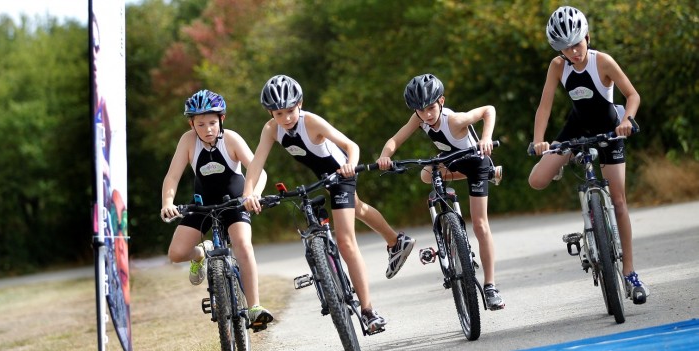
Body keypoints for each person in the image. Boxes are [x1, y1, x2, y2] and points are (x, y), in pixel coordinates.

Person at [242, 75, 415, 332]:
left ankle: (368, 311)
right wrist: (249, 193)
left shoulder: (311, 121)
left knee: (345, 240)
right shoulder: (271, 129)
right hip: (322, 177)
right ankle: (396, 241)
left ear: (299, 104)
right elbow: (257, 163)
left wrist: (349, 165)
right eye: (279, 113)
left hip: (342, 173)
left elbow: (350, 145)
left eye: (291, 110)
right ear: (270, 112)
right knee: (358, 208)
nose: (286, 118)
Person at [528, 6, 648, 304]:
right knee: (537, 179)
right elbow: (545, 106)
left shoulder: (602, 62)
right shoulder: (558, 66)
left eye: (577, 43)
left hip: (610, 129)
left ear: (588, 37)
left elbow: (632, 95)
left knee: (619, 201)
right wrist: (539, 140)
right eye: (566, 48)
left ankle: (631, 274)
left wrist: (626, 121)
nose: (574, 51)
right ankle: (568, 157)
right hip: (577, 128)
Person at [376, 73, 506, 311]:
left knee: (480, 224)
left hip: (474, 162)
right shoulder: (419, 118)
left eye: (430, 108)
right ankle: (448, 223)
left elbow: (489, 109)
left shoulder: (455, 120)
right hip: (450, 161)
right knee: (426, 174)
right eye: (420, 110)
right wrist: (385, 156)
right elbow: (396, 139)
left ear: (441, 101)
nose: (426, 114)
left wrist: (486, 138)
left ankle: (490, 286)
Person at [160, 89, 275, 329]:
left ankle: (254, 307)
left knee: (243, 244)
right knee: (176, 254)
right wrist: (167, 203)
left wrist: (252, 195)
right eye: (200, 124)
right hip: (203, 204)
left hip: (235, 201)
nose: (207, 129)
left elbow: (259, 171)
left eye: (212, 122)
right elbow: (172, 178)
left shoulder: (231, 139)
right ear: (192, 124)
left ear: (222, 119)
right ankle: (201, 254)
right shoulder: (187, 141)